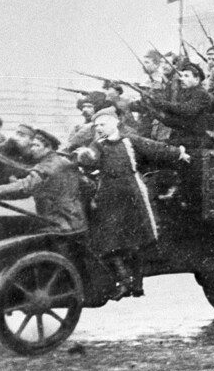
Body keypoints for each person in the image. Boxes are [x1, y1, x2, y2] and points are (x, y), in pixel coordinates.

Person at [76, 108, 191, 298]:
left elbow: (154, 148)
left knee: (137, 240)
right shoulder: (97, 145)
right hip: (108, 193)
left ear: (114, 123)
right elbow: (90, 158)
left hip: (133, 192)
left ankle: (137, 284)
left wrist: (178, 153)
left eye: (102, 124)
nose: (99, 128)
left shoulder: (131, 140)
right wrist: (82, 156)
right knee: (109, 239)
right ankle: (124, 281)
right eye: (96, 125)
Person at [0, 129, 88, 236]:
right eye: (32, 145)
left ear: (48, 148)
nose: (33, 149)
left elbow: (26, 185)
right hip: (75, 221)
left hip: (60, 223)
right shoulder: (62, 161)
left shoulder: (49, 165)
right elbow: (87, 185)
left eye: (37, 146)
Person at [143, 62, 213, 149]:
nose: (181, 79)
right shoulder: (186, 94)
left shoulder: (201, 94)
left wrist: (161, 103)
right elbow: (175, 121)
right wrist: (154, 111)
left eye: (186, 76)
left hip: (195, 141)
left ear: (197, 79)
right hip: (184, 139)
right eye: (181, 76)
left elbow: (186, 110)